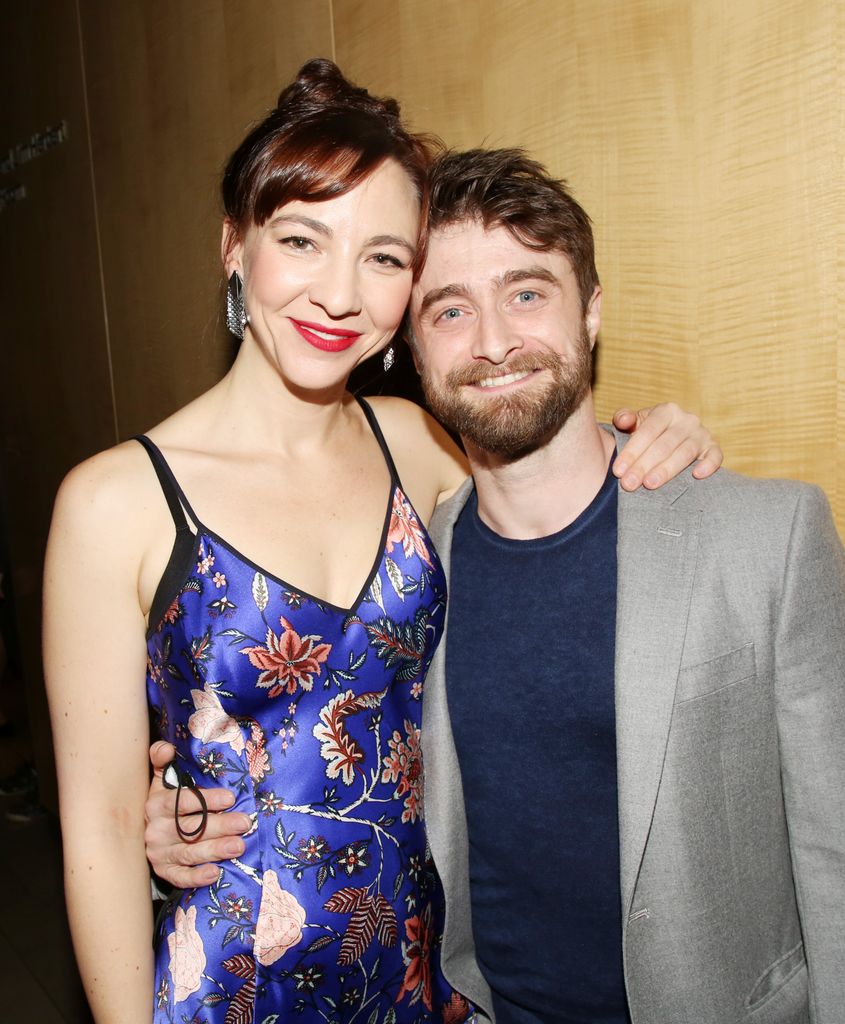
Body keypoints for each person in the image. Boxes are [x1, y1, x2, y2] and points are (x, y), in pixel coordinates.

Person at [44, 60, 717, 1023]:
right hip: (234, 977)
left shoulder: (418, 444)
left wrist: (659, 440)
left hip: (430, 968)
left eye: (385, 258)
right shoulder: (115, 503)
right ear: (234, 246)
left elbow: (552, 493)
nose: (338, 295)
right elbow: (103, 833)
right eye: (302, 240)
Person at [147, 146, 845, 1024]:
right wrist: (185, 812)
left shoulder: (764, 536)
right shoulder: (405, 573)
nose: (492, 342)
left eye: (526, 293)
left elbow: (836, 847)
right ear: (407, 341)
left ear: (590, 311)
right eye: (448, 309)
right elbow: (307, 733)